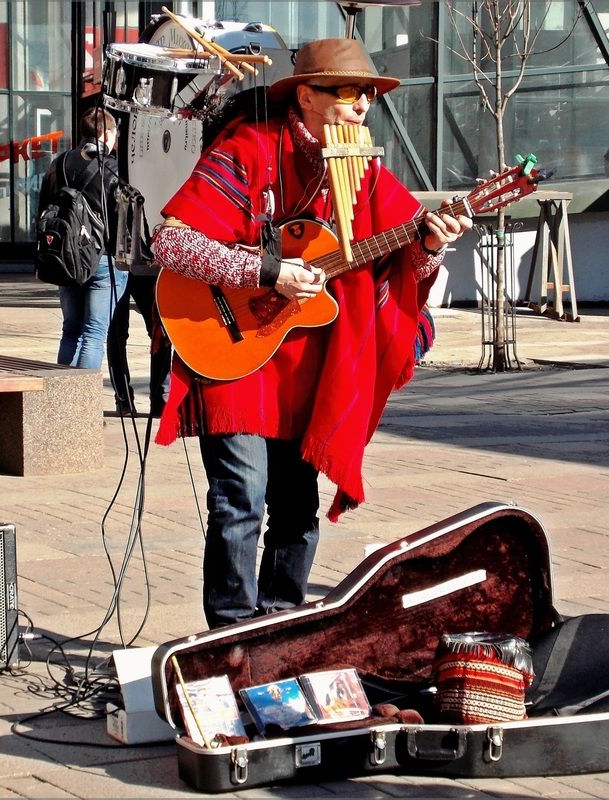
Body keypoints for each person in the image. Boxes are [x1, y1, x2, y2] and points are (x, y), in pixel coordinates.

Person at [150, 38, 472, 629]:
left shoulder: (362, 169)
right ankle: (230, 635)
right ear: (306, 95)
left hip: (303, 363)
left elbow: (399, 265)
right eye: (349, 93)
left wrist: (429, 244)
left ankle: (281, 626)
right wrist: (265, 270)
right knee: (240, 500)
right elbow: (171, 241)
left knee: (297, 509)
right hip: (233, 346)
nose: (362, 107)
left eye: (368, 95)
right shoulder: (248, 146)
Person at [38, 107, 128, 368]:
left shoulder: (59, 163)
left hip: (64, 255)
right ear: (107, 134)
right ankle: (84, 394)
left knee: (70, 330)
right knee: (94, 332)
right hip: (101, 258)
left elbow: (44, 208)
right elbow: (122, 221)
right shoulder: (113, 170)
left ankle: (63, 390)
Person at [107, 271, 172, 416]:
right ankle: (124, 398)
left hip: (145, 268)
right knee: (117, 334)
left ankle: (158, 399)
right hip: (121, 268)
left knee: (160, 333)